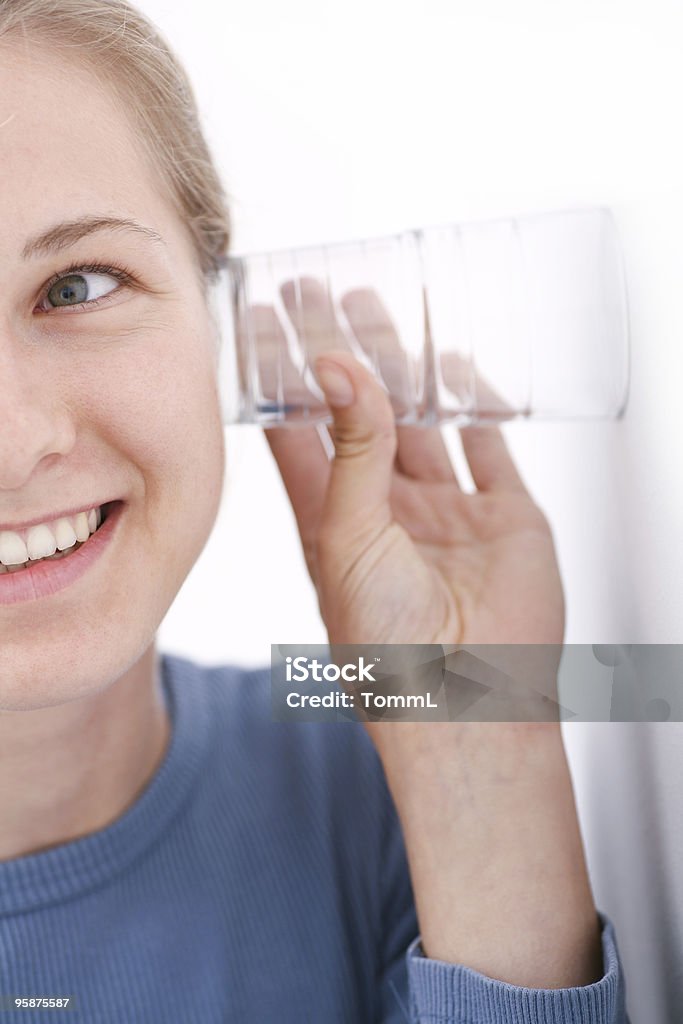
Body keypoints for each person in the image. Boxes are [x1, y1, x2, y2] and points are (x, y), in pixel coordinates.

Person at [0, 0, 628, 1020]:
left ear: (214, 322)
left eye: (76, 285)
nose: (15, 440)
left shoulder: (373, 783)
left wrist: (477, 745)